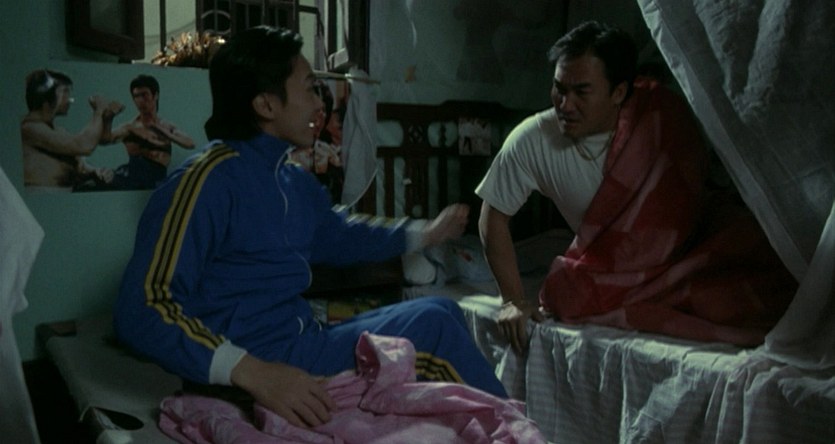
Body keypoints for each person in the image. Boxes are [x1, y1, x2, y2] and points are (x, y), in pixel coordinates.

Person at [114, 26, 506, 430]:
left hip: (302, 342)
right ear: (266, 104)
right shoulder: (206, 181)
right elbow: (143, 307)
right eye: (308, 89)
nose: (319, 103)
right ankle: (515, 431)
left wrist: (425, 233)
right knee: (434, 327)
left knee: (442, 310)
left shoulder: (291, 180)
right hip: (257, 367)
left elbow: (341, 235)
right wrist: (253, 373)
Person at [476, 21, 796, 352]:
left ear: (618, 93)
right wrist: (512, 300)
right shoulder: (532, 139)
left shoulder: (661, 120)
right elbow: (494, 215)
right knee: (569, 295)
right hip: (616, 279)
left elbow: (697, 203)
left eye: (581, 92)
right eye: (559, 89)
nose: (565, 104)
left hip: (692, 257)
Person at [20, 69, 123, 190]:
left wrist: (97, 171)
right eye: (65, 92)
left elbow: (80, 167)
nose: (70, 99)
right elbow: (84, 146)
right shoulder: (30, 128)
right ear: (47, 96)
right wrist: (99, 110)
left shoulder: (58, 131)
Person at [103, 74, 195, 190]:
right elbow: (106, 139)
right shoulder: (130, 127)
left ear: (155, 95)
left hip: (156, 181)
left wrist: (161, 131)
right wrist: (108, 119)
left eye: (144, 95)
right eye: (136, 96)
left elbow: (190, 143)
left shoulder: (167, 127)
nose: (141, 101)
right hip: (132, 179)